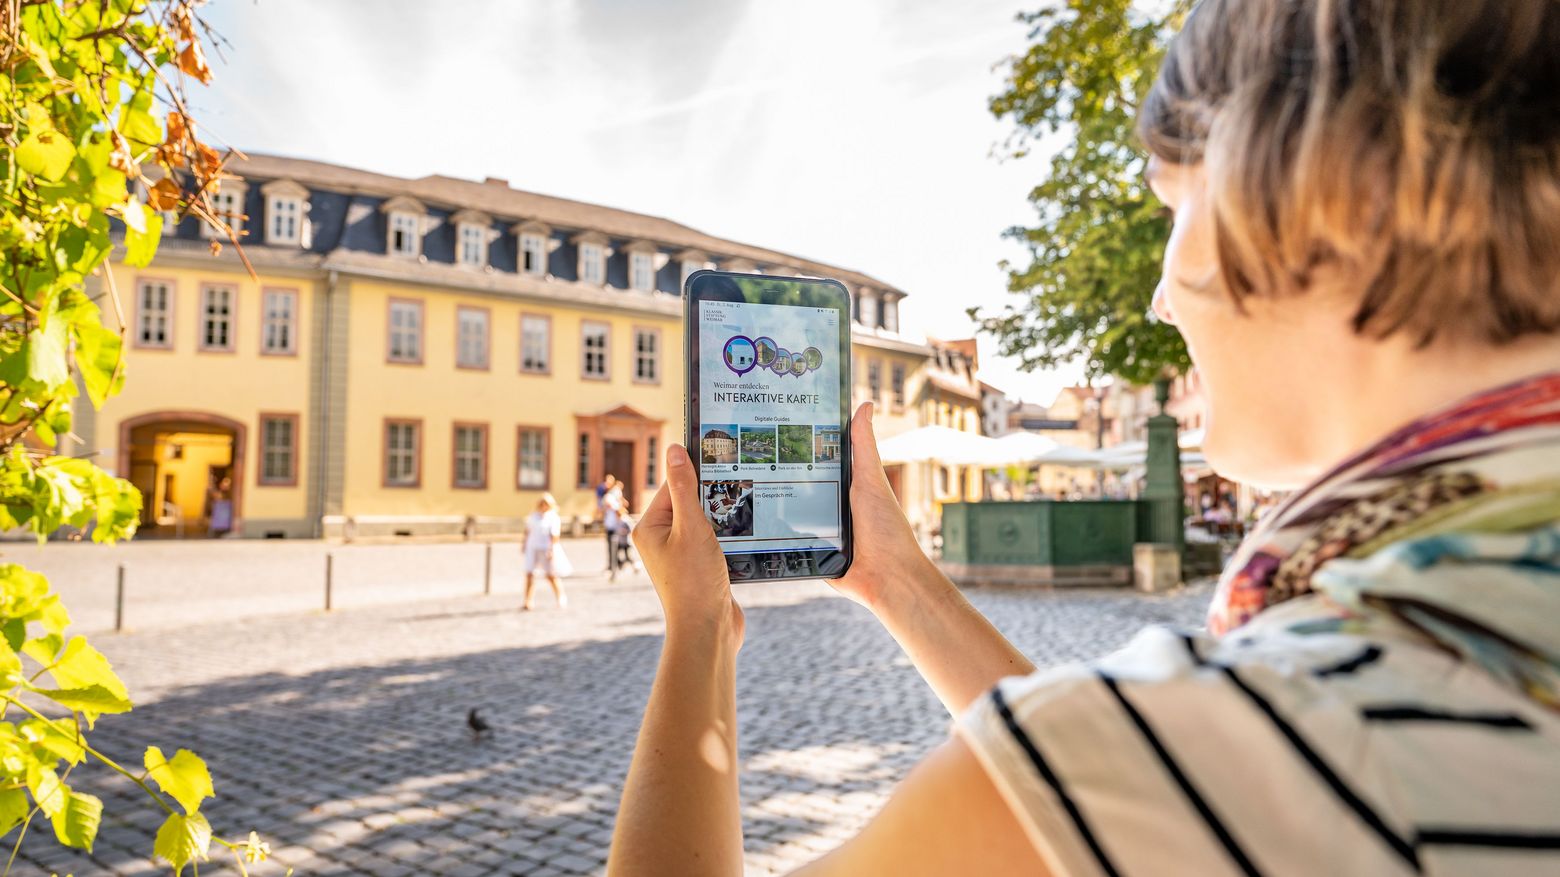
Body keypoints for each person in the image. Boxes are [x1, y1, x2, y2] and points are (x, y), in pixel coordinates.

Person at [607, 0, 1560, 873]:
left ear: (1320, 192)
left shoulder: (1292, 733)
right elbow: (1112, 803)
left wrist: (699, 634)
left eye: (1174, 207)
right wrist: (896, 579)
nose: (1159, 293)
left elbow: (1128, 772)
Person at [522, 493, 569, 610]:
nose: (543, 506)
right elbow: (527, 531)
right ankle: (528, 600)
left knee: (550, 575)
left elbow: (554, 536)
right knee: (529, 574)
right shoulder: (534, 516)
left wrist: (552, 549)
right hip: (532, 547)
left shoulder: (553, 517)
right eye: (542, 504)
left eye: (546, 504)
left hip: (545, 548)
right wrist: (523, 544)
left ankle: (560, 596)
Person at [597, 473, 618, 572]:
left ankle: (616, 564)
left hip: (615, 525)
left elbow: (618, 507)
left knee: (618, 545)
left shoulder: (615, 493)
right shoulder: (603, 492)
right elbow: (601, 507)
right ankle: (611, 565)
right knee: (610, 545)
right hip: (609, 524)